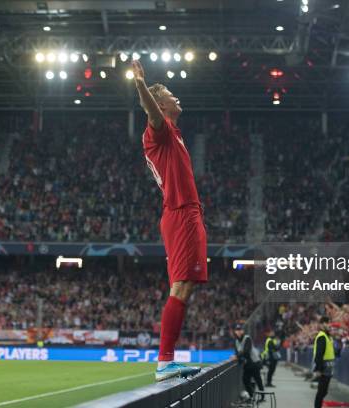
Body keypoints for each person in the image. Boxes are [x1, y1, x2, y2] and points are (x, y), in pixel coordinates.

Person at [132, 60, 208, 381]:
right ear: (162, 104)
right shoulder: (158, 131)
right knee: (180, 285)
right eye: (171, 95)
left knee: (186, 285)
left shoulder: (174, 134)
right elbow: (150, 111)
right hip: (180, 212)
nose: (178, 98)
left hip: (186, 212)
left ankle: (167, 360)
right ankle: (165, 361)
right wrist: (140, 84)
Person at [234, 323, 265, 402]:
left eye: (240, 330)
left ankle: (261, 397)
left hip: (254, 362)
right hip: (247, 364)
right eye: (237, 330)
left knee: (257, 379)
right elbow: (237, 352)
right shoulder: (236, 341)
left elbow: (246, 351)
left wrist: (238, 356)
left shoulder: (247, 338)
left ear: (242, 331)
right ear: (235, 332)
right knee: (246, 379)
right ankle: (252, 396)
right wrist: (238, 356)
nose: (238, 332)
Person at [313, 316, 335, 408]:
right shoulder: (322, 336)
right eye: (327, 323)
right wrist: (318, 369)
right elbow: (319, 354)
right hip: (324, 368)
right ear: (321, 325)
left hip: (328, 368)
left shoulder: (327, 336)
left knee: (323, 391)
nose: (329, 325)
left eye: (329, 323)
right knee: (321, 391)